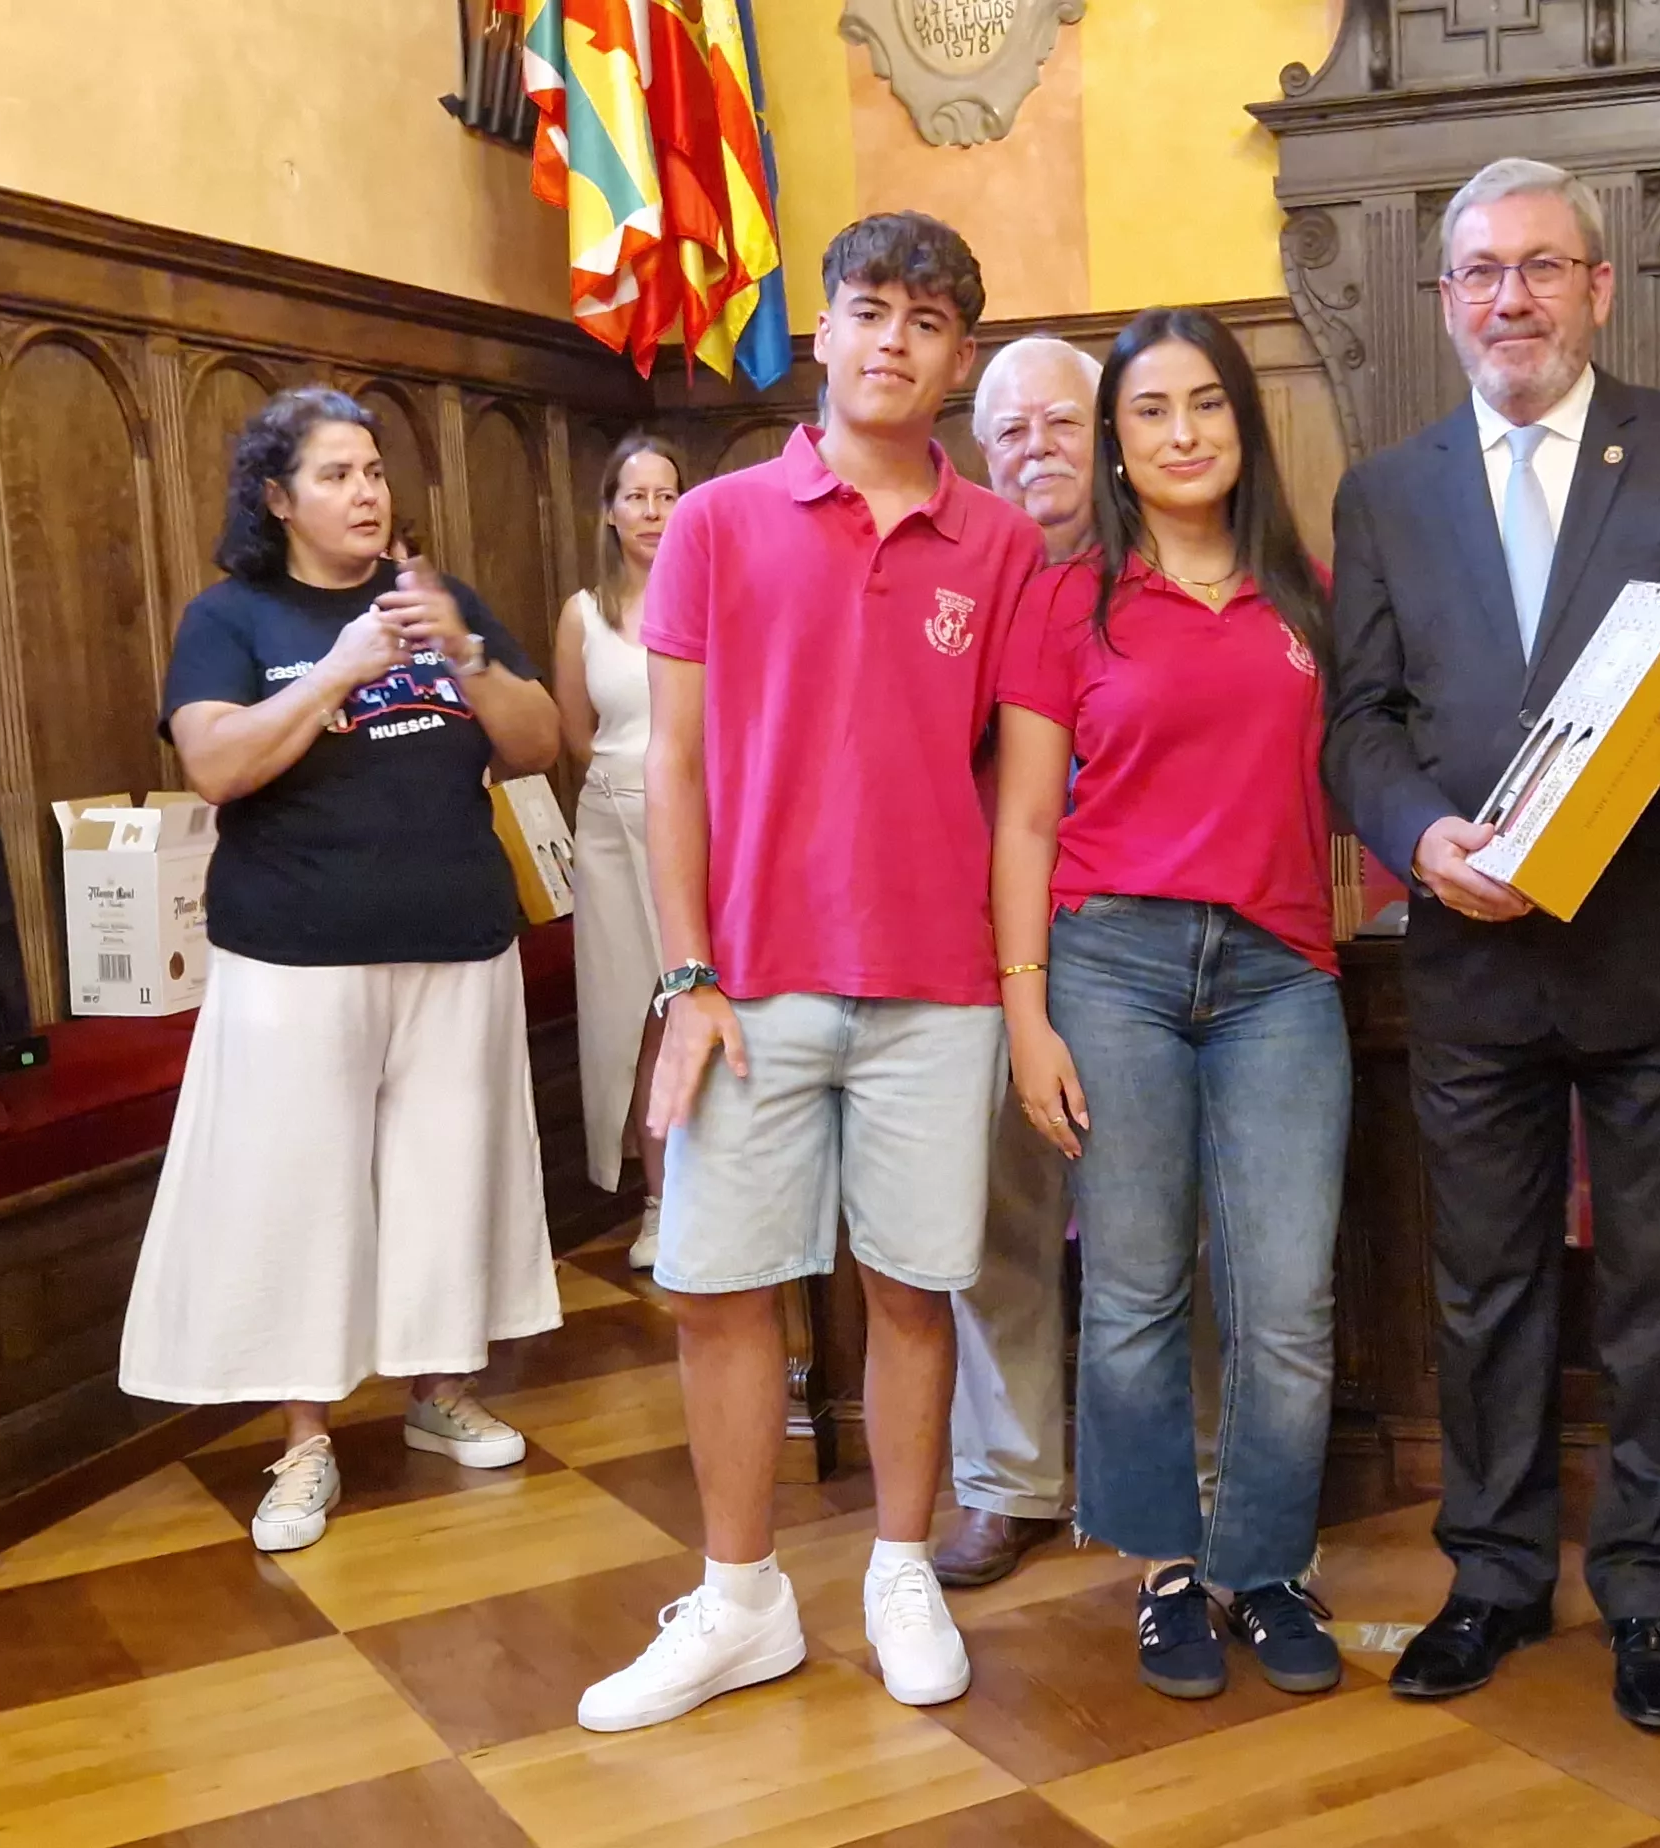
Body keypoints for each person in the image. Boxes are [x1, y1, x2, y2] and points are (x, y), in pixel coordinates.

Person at [1324, 157, 1660, 1734]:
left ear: (1599, 288)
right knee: (1486, 1287)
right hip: (1470, 949)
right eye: (1479, 272)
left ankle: (1655, 1598)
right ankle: (1497, 1576)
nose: (1509, 297)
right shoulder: (1385, 491)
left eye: (1540, 267)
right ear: (1447, 300)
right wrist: (1414, 838)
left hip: (1656, 944)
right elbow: (1359, 725)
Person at [577, 212, 1047, 1734]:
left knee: (914, 1288)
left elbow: (1023, 795)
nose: (895, 339)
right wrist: (689, 976)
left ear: (957, 357)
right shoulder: (715, 522)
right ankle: (739, 1600)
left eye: (928, 318)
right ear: (822, 333)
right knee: (718, 1292)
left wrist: (1017, 991)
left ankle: (900, 1568)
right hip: (753, 981)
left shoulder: (1005, 545)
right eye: (869, 309)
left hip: (936, 984)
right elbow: (677, 777)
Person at [120, 385, 568, 1555]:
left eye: (373, 472)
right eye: (334, 475)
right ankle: (306, 1438)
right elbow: (216, 767)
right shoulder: (234, 617)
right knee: (302, 1198)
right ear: (276, 498)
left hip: (454, 940)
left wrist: (462, 651)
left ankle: (438, 1394)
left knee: (443, 1181)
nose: (365, 492)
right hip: (295, 954)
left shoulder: (441, 602)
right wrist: (337, 670)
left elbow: (535, 746)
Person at [994, 308, 1347, 1699]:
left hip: (1279, 977)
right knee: (1137, 1287)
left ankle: (1264, 1566)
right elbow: (1024, 822)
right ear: (1116, 446)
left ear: (1243, 428)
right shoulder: (1064, 604)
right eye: (1150, 412)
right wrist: (1027, 1014)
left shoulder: (1306, 596)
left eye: (1207, 405)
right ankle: (1161, 1573)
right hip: (1112, 969)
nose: (1184, 432)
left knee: (1287, 1301)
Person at [936, 333, 1106, 1588]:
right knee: (999, 1220)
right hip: (986, 942)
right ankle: (1010, 1480)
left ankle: (1180, 1472)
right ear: (978, 453)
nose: (1034, 450)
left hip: (1152, 935)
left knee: (1167, 1228)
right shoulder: (962, 583)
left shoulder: (1170, 560)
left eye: (1059, 424)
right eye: (1008, 433)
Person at [553, 432, 683, 1272]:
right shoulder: (583, 612)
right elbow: (570, 732)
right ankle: (658, 1205)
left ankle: (717, 1198)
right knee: (633, 1021)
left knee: (690, 1007)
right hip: (607, 823)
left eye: (667, 495)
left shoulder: (710, 596)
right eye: (635, 496)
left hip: (694, 821)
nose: (652, 512)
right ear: (609, 511)